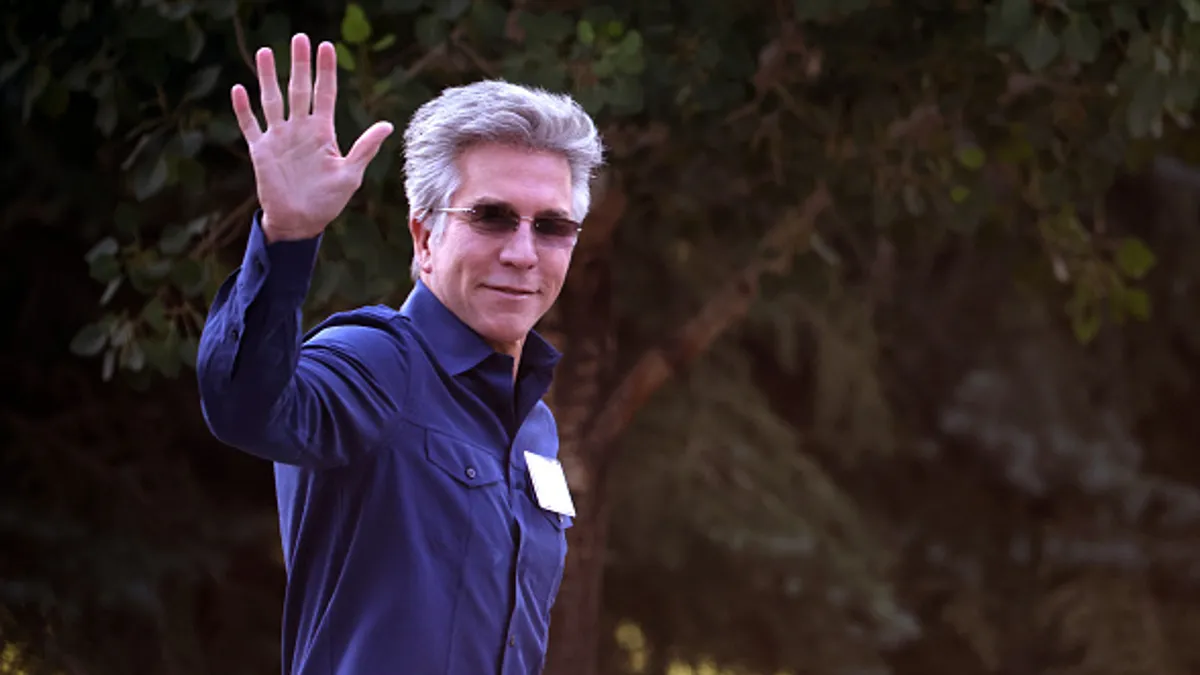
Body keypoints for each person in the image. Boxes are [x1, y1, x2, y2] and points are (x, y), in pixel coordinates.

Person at [195, 31, 604, 675]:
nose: (523, 253)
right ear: (424, 237)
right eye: (492, 217)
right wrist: (288, 237)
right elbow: (244, 405)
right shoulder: (377, 361)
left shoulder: (536, 428)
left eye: (551, 226)